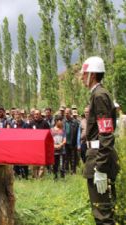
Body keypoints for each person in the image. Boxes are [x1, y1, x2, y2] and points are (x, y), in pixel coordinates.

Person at [81, 56, 120, 224]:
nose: (82, 77)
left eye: (84, 73)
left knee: (102, 213)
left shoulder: (99, 95)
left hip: (99, 157)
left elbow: (106, 133)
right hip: (97, 155)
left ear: (93, 75)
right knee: (101, 208)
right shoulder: (97, 95)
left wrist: (101, 167)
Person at [51, 115, 66, 179]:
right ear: (57, 121)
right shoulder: (51, 130)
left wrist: (60, 145)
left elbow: (65, 140)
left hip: (62, 150)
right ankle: (55, 177)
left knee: (62, 165)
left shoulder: (63, 130)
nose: (62, 122)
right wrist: (54, 146)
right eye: (61, 121)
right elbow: (49, 140)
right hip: (54, 151)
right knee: (55, 164)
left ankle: (62, 177)